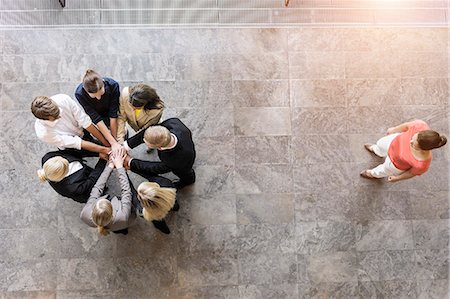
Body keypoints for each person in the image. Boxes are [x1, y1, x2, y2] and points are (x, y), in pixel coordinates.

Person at [360, 119, 447, 182]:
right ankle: (375, 149)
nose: (410, 141)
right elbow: (406, 125)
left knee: (383, 170)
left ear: (423, 149)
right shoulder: (420, 125)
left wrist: (397, 178)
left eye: (413, 145)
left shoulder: (422, 164)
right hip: (392, 142)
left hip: (395, 164)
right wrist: (394, 129)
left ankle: (372, 173)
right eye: (413, 137)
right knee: (380, 145)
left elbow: (411, 173)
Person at [124, 118, 196, 189]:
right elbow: (150, 133)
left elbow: (156, 168)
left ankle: (188, 181)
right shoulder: (173, 123)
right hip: (185, 141)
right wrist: (126, 146)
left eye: (147, 143)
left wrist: (131, 161)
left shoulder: (173, 160)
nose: (143, 140)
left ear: (159, 148)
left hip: (184, 163)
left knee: (184, 173)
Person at [31, 94, 110, 157]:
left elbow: (85, 121)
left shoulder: (63, 99)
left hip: (80, 129)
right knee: (83, 152)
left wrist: (105, 141)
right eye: (55, 117)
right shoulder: (44, 133)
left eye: (58, 111)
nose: (60, 116)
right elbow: (76, 143)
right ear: (44, 119)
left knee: (94, 139)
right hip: (70, 145)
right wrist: (106, 150)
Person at [80, 148, 135, 235]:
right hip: (123, 222)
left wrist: (110, 166)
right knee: (123, 225)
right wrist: (120, 167)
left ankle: (120, 231)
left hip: (116, 224)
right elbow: (126, 192)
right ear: (112, 211)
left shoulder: (84, 215)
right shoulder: (122, 217)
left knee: (118, 228)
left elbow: (97, 189)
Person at [75, 69, 122, 152]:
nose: (98, 98)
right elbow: (95, 118)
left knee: (119, 133)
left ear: (103, 83)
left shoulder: (113, 85)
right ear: (85, 90)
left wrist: (114, 141)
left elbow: (113, 114)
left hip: (111, 113)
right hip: (97, 116)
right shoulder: (79, 94)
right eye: (94, 96)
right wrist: (112, 143)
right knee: (104, 134)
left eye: (101, 94)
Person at [37, 150, 107, 203]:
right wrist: (103, 160)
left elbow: (73, 152)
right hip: (86, 191)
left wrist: (98, 153)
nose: (66, 158)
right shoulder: (72, 188)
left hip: (84, 175)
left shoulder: (48, 157)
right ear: (64, 173)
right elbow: (92, 179)